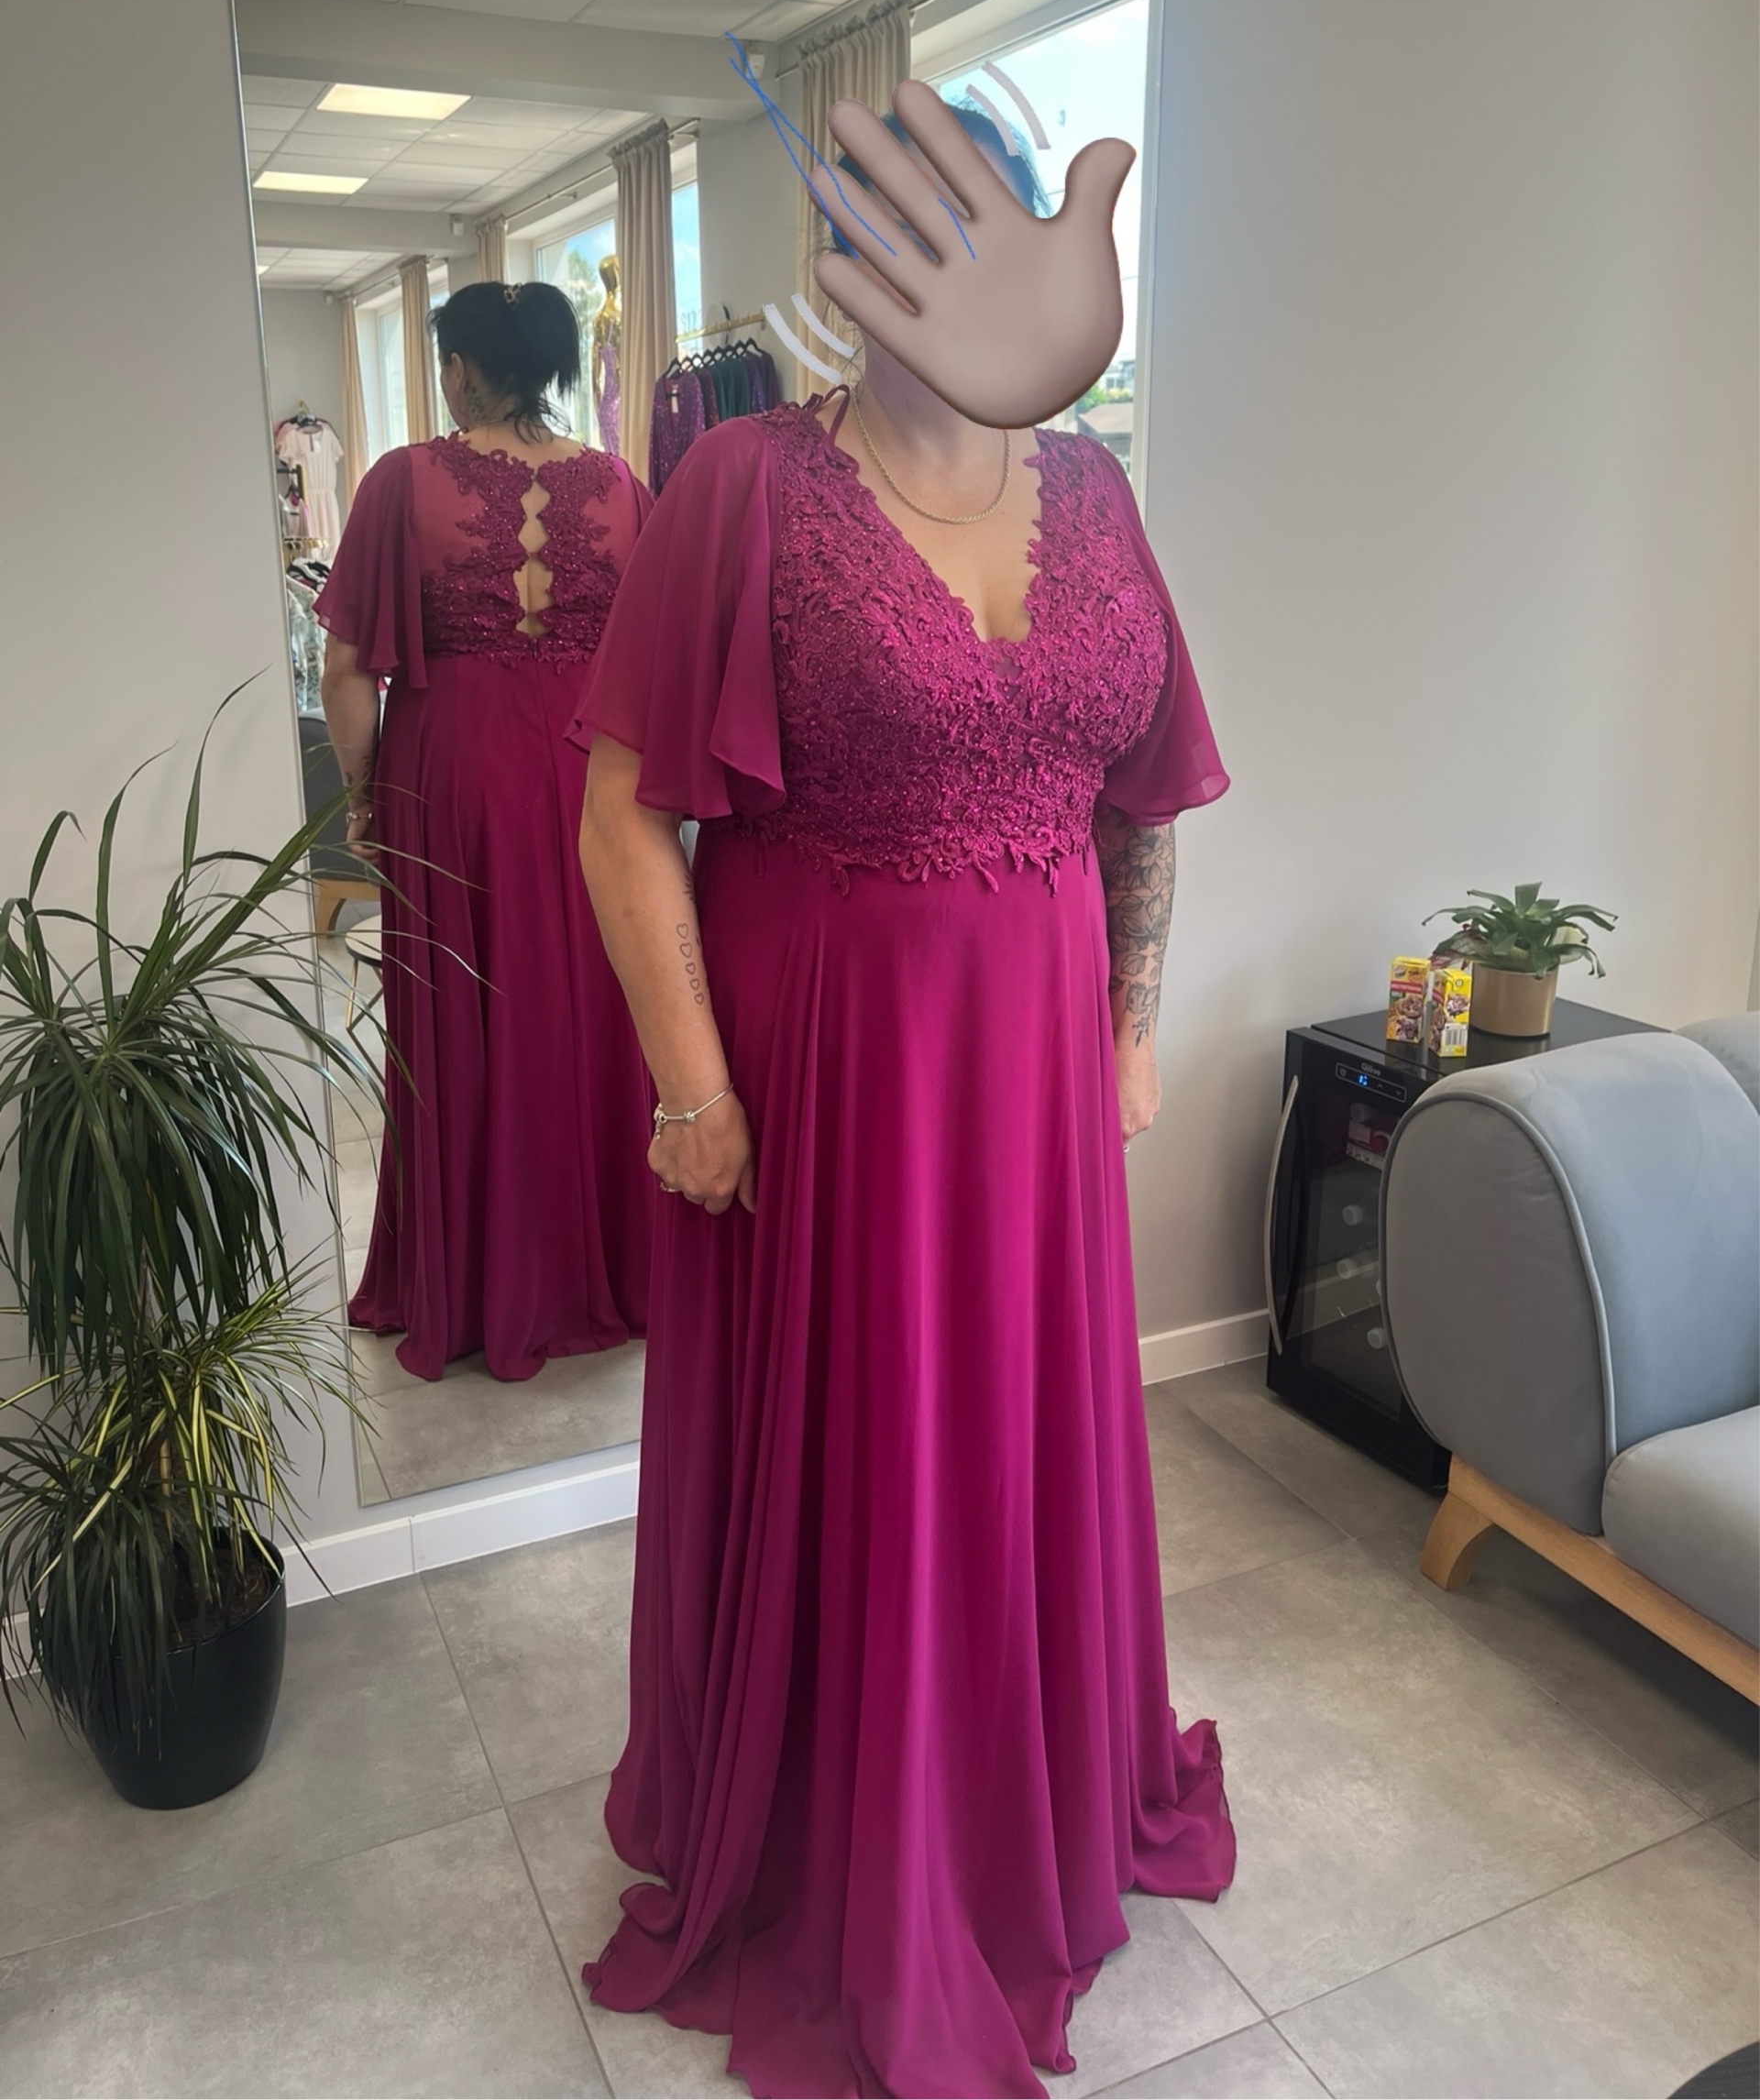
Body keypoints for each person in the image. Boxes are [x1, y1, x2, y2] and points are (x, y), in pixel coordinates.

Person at [572, 107, 1235, 2098]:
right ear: (846, 258)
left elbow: (1146, 784)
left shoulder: (1096, 492)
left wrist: (1129, 1021)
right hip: (830, 1058)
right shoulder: (743, 487)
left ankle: (1022, 1803)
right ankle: (846, 1837)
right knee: (858, 1433)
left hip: (1033, 1065)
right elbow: (622, 811)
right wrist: (693, 1086)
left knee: (1013, 1429)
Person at [319, 280, 654, 1380]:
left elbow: (348, 670)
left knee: (465, 1022)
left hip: (450, 783)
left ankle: (475, 1281)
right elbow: (661, 661)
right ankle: (604, 1264)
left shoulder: (400, 481)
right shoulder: (620, 486)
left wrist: (363, 800)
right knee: (595, 1011)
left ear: (462, 368)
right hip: (593, 777)